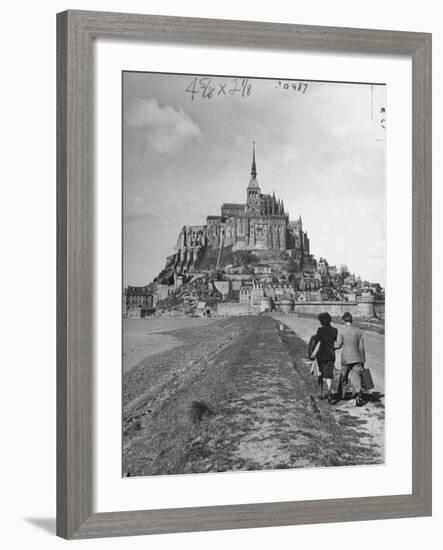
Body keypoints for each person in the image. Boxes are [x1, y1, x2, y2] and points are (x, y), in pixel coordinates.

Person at [335, 311, 366, 406]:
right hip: (357, 358)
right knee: (357, 377)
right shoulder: (359, 331)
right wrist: (363, 359)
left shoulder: (342, 332)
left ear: (344, 320)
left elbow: (338, 345)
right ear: (351, 320)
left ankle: (342, 394)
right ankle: (358, 396)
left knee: (343, 376)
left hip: (346, 358)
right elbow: (361, 348)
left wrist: (332, 344)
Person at [312, 312, 338, 403]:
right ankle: (329, 391)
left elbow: (316, 342)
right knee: (329, 375)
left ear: (321, 321)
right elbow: (334, 342)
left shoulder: (320, 330)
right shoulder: (335, 330)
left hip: (321, 355)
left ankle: (321, 393)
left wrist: (312, 353)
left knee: (320, 373)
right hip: (331, 355)